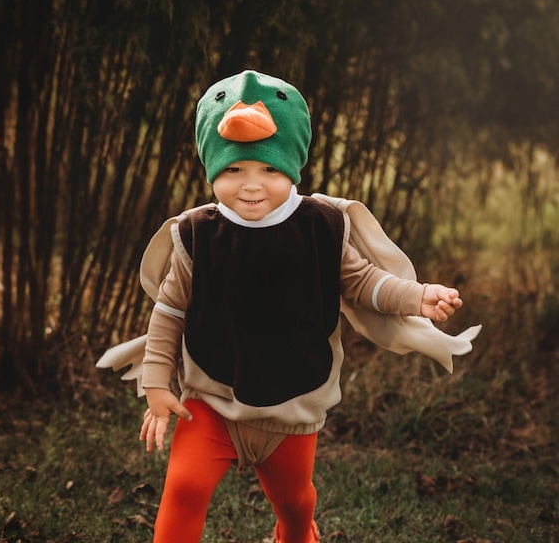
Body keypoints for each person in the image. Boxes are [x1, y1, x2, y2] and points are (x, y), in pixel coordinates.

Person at [116, 70, 479, 543]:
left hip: (292, 408)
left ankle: (296, 531)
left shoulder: (322, 226)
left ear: (292, 168)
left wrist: (418, 296)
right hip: (211, 401)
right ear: (211, 169)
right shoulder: (195, 234)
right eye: (234, 170)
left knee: (293, 499)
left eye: (269, 169)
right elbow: (169, 312)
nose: (251, 185)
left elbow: (364, 282)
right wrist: (157, 383)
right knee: (183, 489)